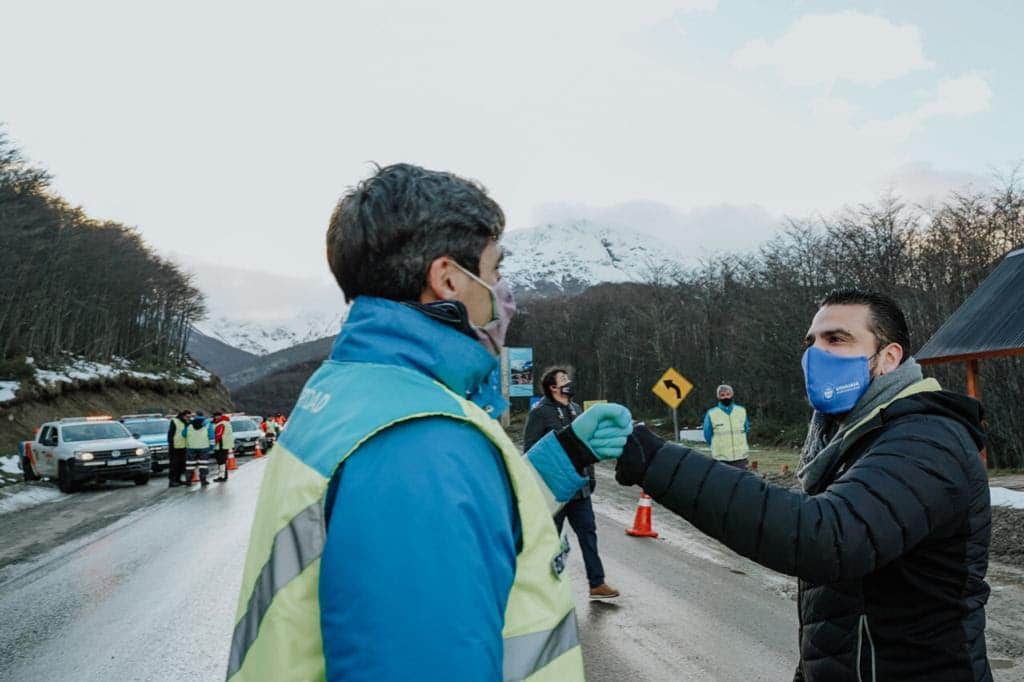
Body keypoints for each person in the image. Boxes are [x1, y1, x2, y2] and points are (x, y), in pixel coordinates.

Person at [227, 163, 633, 682]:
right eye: (494, 270)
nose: (504, 293)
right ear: (447, 280)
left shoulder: (354, 388)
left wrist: (565, 455)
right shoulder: (422, 443)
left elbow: (463, 517)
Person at [616, 289, 990, 681]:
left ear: (889, 358)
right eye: (811, 342)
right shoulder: (848, 440)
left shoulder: (926, 440)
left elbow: (826, 537)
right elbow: (836, 613)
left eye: (837, 339)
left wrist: (657, 461)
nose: (816, 354)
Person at [524, 367, 618, 599]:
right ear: (552, 387)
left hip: (580, 487)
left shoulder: (577, 410)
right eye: (563, 379)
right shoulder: (540, 413)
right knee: (550, 540)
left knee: (588, 533)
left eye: (568, 378)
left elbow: (588, 446)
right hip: (555, 490)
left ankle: (597, 583)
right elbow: (531, 451)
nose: (569, 382)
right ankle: (543, 587)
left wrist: (591, 477)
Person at [701, 384, 750, 468]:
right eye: (722, 395)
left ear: (732, 394)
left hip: (740, 457)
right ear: (718, 397)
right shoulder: (712, 413)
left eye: (728, 394)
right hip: (721, 458)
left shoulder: (741, 411)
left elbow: (746, 429)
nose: (726, 397)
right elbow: (707, 434)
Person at [184, 411, 214, 487]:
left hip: (191, 447)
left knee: (190, 465)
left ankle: (188, 481)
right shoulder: (207, 424)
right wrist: (211, 446)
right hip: (204, 447)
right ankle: (203, 481)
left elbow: (183, 434)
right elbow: (211, 436)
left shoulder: (189, 424)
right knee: (203, 465)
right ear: (203, 415)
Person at [167, 409, 191, 488]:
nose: (188, 418)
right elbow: (171, 434)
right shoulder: (175, 421)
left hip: (183, 446)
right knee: (174, 465)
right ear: (183, 415)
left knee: (181, 465)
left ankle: (178, 479)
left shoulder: (186, 422)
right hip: (175, 447)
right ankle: (172, 481)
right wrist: (171, 444)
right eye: (187, 417)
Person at [212, 412, 234, 482]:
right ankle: (224, 476)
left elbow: (218, 435)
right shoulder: (227, 422)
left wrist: (213, 444)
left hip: (221, 445)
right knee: (223, 461)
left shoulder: (220, 423)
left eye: (216, 416)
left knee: (221, 462)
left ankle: (222, 476)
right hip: (226, 444)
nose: (215, 418)